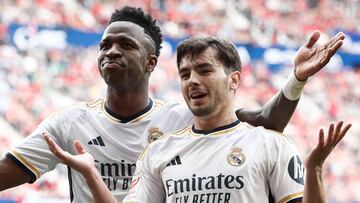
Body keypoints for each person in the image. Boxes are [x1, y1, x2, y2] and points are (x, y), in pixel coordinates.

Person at [0, 6, 345, 202]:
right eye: (104, 45)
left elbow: (262, 124)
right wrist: (89, 171)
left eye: (125, 44)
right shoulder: (68, 123)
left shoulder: (185, 120)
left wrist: (296, 80)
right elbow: (6, 172)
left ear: (151, 63)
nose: (111, 51)